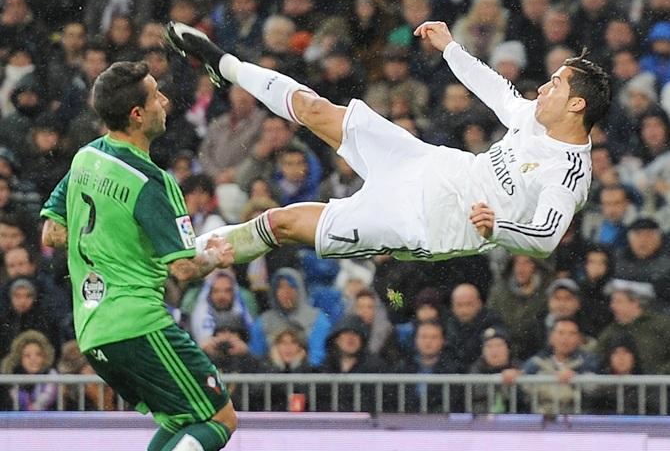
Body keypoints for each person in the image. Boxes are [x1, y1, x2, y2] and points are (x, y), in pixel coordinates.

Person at [166, 18, 611, 269]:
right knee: (318, 109)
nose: (543, 89)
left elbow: (545, 237)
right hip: (428, 164)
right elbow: (499, 92)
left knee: (283, 222)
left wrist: (498, 229)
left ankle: (194, 260)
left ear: (576, 105)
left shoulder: (568, 175)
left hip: (425, 221)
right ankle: (223, 63)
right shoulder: (534, 118)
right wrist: (452, 48)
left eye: (555, 85)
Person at [40, 61, 236, 451]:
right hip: (137, 320)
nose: (165, 101)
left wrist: (103, 261)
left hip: (93, 327)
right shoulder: (153, 181)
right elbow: (185, 269)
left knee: (175, 420)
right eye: (155, 97)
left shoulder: (85, 158)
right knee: (218, 418)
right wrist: (213, 257)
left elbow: (53, 233)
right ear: (136, 114)